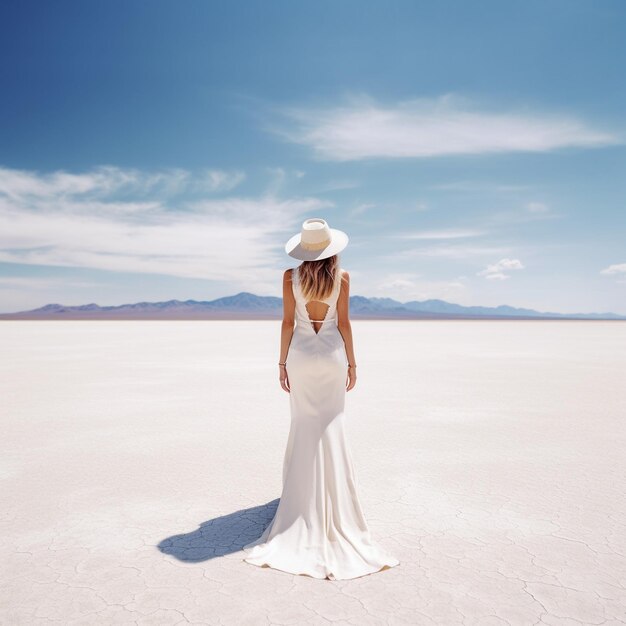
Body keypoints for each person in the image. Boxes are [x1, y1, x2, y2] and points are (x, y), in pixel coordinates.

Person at [242, 217, 400, 580]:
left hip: (300, 354)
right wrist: (353, 364)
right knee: (332, 425)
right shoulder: (342, 278)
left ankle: (300, 506)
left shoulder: (289, 277)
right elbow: (343, 323)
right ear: (332, 249)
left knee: (303, 424)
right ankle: (336, 507)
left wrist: (281, 362)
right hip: (331, 355)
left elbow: (286, 322)